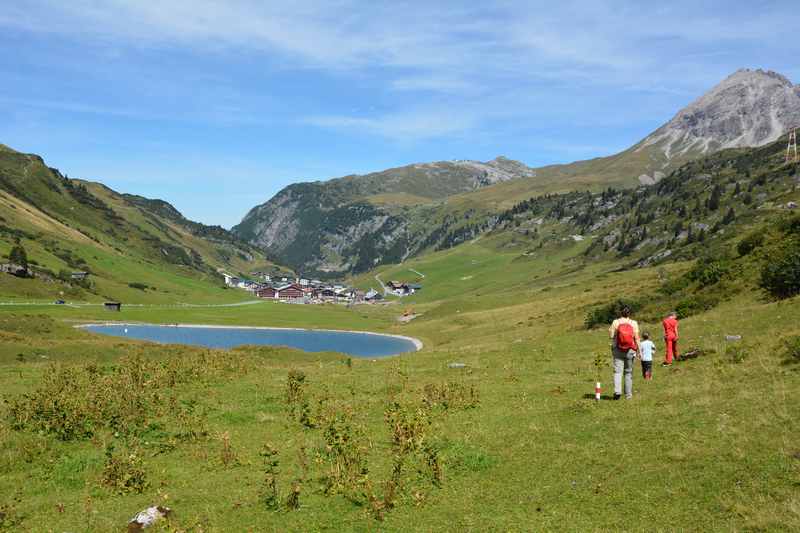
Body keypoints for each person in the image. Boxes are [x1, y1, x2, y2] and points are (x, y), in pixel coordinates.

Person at [609, 306, 640, 400]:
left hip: (617, 349)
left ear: (620, 313)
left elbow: (611, 336)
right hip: (630, 350)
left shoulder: (616, 322)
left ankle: (617, 391)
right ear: (629, 313)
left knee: (618, 372)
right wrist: (639, 351)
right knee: (628, 372)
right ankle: (628, 395)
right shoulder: (633, 323)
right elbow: (637, 338)